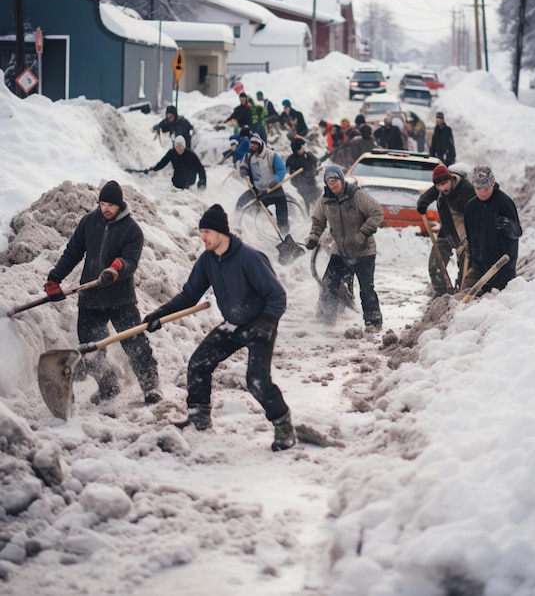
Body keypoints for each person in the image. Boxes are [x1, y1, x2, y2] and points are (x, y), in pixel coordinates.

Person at [142, 205, 296, 452]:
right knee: (198, 364)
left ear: (221, 232)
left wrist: (267, 323)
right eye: (201, 231)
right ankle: (199, 418)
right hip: (233, 325)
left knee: (256, 380)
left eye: (207, 231)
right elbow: (189, 294)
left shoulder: (249, 257)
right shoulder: (207, 260)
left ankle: (283, 426)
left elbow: (277, 295)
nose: (202, 237)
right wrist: (161, 314)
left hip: (259, 325)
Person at [45, 181, 161, 405]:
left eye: (111, 205)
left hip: (120, 299)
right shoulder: (89, 222)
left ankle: (151, 386)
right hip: (90, 298)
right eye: (102, 203)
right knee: (91, 351)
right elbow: (72, 253)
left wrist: (115, 269)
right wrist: (54, 278)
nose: (106, 208)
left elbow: (130, 260)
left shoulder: (132, 230)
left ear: (120, 205)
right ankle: (108, 386)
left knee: (134, 343)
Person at [304, 165, 384, 330]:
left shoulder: (356, 195)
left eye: (335, 180)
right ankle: (325, 319)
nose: (332, 184)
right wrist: (313, 237)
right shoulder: (325, 200)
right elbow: (318, 221)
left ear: (341, 179)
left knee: (366, 288)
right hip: (341, 252)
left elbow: (377, 212)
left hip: (364, 252)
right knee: (328, 283)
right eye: (328, 181)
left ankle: (373, 321)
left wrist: (362, 235)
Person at [417, 163, 476, 296]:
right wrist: (423, 202)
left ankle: (461, 294)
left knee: (465, 270)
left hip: (464, 233)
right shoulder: (441, 187)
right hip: (447, 231)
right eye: (439, 186)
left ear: (451, 179)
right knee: (435, 266)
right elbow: (428, 195)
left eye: (445, 183)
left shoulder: (465, 188)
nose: (443, 188)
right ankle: (442, 295)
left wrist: (472, 237)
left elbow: (476, 211)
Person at [462, 166, 522, 294]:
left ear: (492, 185)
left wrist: (509, 226)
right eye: (478, 189)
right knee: (465, 297)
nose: (482, 192)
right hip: (479, 265)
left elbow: (517, 232)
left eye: (486, 189)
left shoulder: (504, 202)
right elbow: (470, 236)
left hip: (502, 267)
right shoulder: (471, 207)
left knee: (496, 304)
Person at [238, 133, 289, 234]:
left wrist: (275, 181)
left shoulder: (271, 155)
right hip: (259, 191)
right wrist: (244, 172)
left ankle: (284, 233)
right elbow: (243, 167)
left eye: (255, 144)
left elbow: (281, 170)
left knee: (282, 212)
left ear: (260, 145)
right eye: (251, 144)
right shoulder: (248, 157)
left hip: (274, 189)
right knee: (249, 206)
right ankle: (260, 231)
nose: (252, 146)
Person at [285, 137, 321, 212]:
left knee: (319, 196)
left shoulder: (308, 155)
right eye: (300, 148)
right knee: (306, 199)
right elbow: (291, 174)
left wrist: (314, 171)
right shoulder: (292, 160)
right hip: (300, 185)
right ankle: (308, 213)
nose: (302, 149)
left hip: (312, 182)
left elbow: (316, 163)